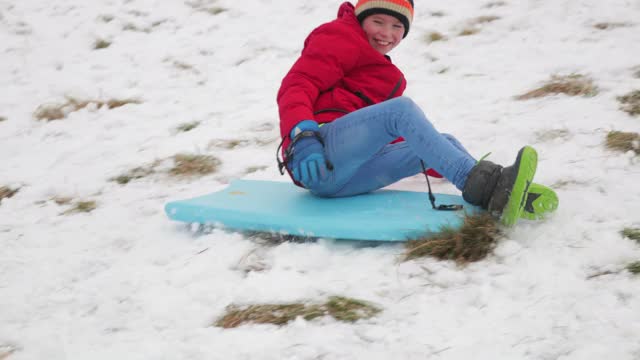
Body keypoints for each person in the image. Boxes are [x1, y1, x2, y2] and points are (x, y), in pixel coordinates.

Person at [275, 0, 539, 226]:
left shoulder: (382, 73)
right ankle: (475, 182)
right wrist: (303, 136)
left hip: (344, 179)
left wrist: (441, 160)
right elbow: (297, 85)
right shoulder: (338, 37)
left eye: (397, 26)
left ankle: (495, 188)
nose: (386, 33)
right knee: (401, 111)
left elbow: (387, 137)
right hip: (318, 157)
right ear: (361, 17)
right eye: (378, 21)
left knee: (445, 142)